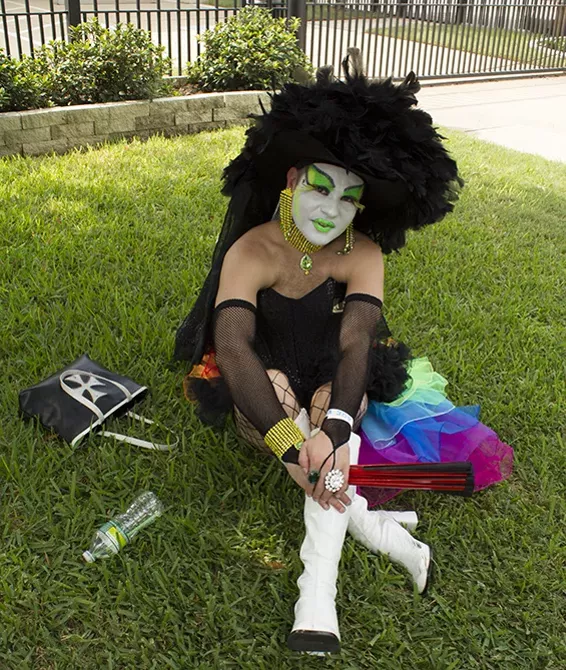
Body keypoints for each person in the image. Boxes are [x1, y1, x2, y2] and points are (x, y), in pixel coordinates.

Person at [174, 49, 511, 654]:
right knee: (286, 402)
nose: (331, 210)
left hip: (334, 374)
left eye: (349, 197)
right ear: (291, 180)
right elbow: (234, 346)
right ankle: (379, 531)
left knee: (334, 418)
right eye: (320, 187)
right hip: (265, 380)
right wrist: (292, 443)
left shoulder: (364, 253)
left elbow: (358, 340)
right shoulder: (252, 251)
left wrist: (332, 427)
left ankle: (316, 594)